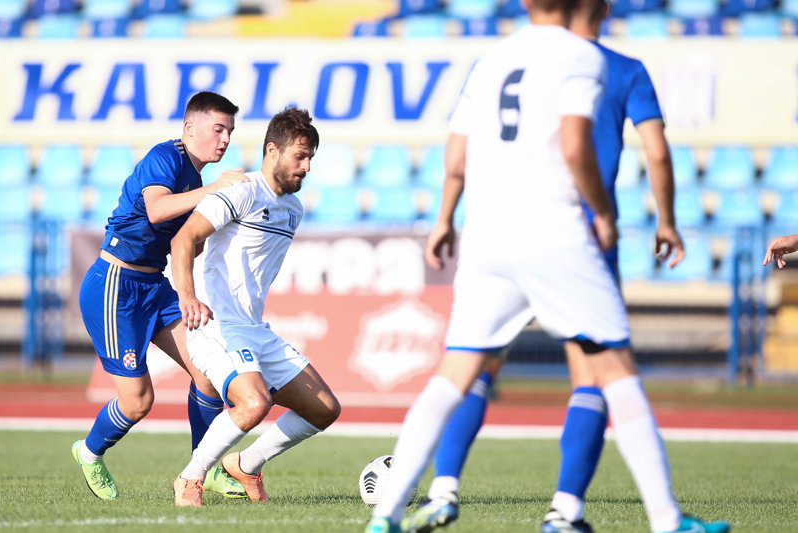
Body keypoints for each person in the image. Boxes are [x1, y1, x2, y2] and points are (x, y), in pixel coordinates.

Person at [364, 0, 730, 532]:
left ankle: (387, 515)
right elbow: (576, 145)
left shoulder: (491, 60)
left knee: (454, 373)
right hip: (557, 231)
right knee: (612, 370)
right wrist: (603, 212)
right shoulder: (584, 56)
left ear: (525, 2)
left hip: (488, 235)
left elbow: (456, 158)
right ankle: (659, 518)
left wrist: (445, 217)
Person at [71, 91, 249, 501]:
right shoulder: (165, 156)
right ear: (189, 128)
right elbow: (156, 210)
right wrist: (214, 192)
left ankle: (203, 469)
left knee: (208, 373)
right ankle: (89, 452)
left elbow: (186, 246)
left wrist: (222, 222)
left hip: (154, 286)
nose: (224, 139)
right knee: (138, 402)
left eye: (229, 131)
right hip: (115, 286)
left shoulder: (196, 181)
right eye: (217, 129)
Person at [168, 107, 341, 507]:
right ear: (272, 150)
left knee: (324, 409)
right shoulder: (241, 191)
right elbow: (184, 239)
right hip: (215, 325)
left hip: (253, 329)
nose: (307, 166)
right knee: (253, 403)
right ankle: (190, 478)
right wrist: (188, 295)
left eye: (311, 158)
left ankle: (246, 465)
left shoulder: (293, 209)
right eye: (300, 156)